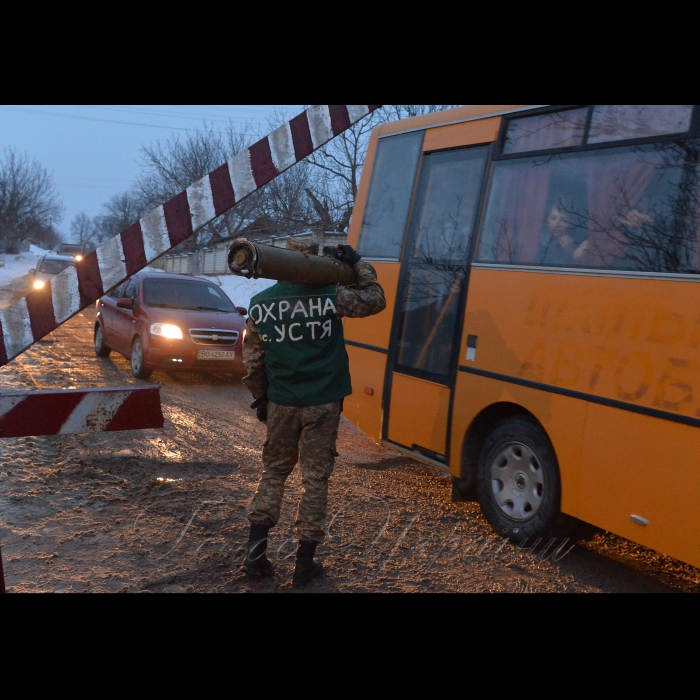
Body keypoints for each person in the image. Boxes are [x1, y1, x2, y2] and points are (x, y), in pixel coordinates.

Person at [240, 238, 386, 587]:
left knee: (274, 472)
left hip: (282, 402)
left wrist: (262, 399)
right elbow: (375, 299)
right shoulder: (332, 296)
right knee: (315, 480)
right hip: (323, 402)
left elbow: (252, 361)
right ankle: (304, 566)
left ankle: (254, 558)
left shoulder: (260, 305)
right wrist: (358, 264)